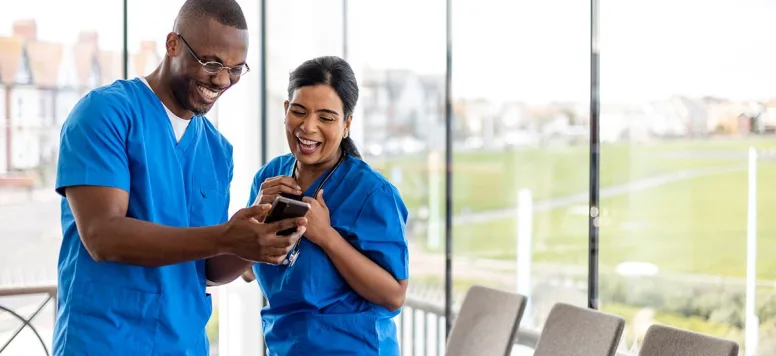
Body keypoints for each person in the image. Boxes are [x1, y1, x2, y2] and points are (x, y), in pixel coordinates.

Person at [52, 1, 306, 354]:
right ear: (172, 44)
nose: (222, 79)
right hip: (105, 341)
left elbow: (208, 268)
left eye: (235, 69)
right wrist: (225, 235)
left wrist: (253, 242)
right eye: (212, 63)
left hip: (184, 344)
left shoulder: (218, 151)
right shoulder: (105, 113)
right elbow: (103, 236)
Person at [244, 56, 409, 355]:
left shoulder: (371, 192)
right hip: (286, 347)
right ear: (285, 110)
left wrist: (327, 238)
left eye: (326, 117)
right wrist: (254, 221)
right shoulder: (268, 179)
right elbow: (245, 271)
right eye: (299, 111)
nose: (308, 127)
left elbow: (394, 295)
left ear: (346, 124)